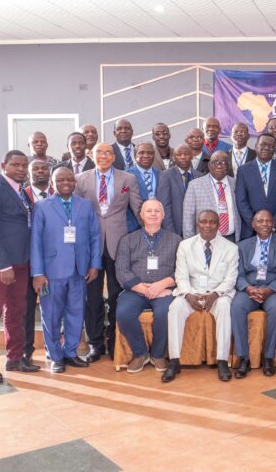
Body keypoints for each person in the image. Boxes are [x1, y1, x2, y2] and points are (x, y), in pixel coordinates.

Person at [75, 142, 143, 361]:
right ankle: (95, 344)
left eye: (107, 153)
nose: (103, 156)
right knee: (92, 297)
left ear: (113, 156)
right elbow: (74, 212)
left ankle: (115, 341)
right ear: (92, 156)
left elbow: (138, 207)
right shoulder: (80, 179)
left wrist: (150, 232)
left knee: (117, 295)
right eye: (99, 153)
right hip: (89, 244)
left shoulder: (127, 179)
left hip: (119, 243)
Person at [30, 167, 101, 373]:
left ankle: (71, 352)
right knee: (51, 315)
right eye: (60, 180)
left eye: (70, 179)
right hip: (51, 271)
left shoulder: (85, 205)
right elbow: (35, 242)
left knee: (76, 313)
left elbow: (95, 236)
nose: (66, 183)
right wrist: (38, 273)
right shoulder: (42, 207)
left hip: (80, 270)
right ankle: (55, 355)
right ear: (52, 183)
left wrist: (94, 264)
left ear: (75, 182)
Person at [0, 151, 36, 383]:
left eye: (24, 165)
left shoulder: (22, 191)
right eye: (15, 165)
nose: (21, 169)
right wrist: (3, 266)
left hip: (21, 261)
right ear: (4, 165)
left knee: (16, 310)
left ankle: (15, 357)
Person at [163, 210, 239, 383]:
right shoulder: (185, 246)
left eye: (212, 222)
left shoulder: (231, 248)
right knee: (175, 308)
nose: (208, 225)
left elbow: (231, 278)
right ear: (198, 224)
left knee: (224, 307)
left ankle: (222, 361)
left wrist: (215, 294)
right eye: (204, 222)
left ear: (218, 225)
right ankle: (174, 361)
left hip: (218, 294)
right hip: (192, 292)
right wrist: (188, 295)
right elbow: (181, 276)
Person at [115, 199, 183, 374]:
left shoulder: (176, 240)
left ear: (163, 215)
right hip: (135, 291)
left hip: (165, 291)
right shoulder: (128, 240)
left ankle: (158, 355)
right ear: (142, 215)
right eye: (149, 211)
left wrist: (162, 285)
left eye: (157, 211)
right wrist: (144, 289)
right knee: (123, 314)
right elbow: (122, 270)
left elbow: (183, 270)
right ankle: (140, 354)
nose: (153, 214)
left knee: (165, 313)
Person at [230, 210, 276, 378]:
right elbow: (238, 274)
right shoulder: (242, 246)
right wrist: (248, 288)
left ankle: (269, 357)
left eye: (268, 221)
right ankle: (243, 358)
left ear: (273, 224)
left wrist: (269, 289)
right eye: (260, 221)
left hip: (274, 290)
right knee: (236, 306)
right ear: (253, 225)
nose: (265, 224)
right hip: (249, 289)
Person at [235, 133, 276, 240]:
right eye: (263, 144)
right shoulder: (243, 170)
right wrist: (255, 224)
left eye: (271, 146)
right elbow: (241, 200)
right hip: (251, 230)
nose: (266, 148)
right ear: (256, 146)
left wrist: (274, 223)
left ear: (274, 150)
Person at [182, 150, 239, 242]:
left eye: (223, 162)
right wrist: (191, 244)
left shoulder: (236, 184)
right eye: (215, 162)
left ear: (228, 166)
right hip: (204, 240)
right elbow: (188, 217)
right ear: (209, 165)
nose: (219, 166)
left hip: (232, 238)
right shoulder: (195, 185)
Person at [157, 145, 203, 236]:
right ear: (173, 158)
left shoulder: (200, 176)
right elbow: (164, 206)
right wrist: (171, 233)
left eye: (186, 154)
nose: (183, 157)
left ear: (192, 156)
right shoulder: (166, 175)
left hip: (197, 228)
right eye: (179, 154)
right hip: (176, 229)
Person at [125, 142, 161, 231]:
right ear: (135, 155)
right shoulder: (125, 175)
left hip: (159, 224)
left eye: (150, 153)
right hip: (135, 227)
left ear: (154, 156)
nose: (146, 156)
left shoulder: (161, 174)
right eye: (141, 153)